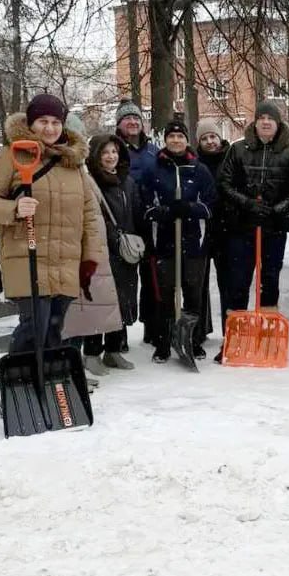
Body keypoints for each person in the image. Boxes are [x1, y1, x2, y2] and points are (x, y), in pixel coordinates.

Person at [0, 93, 105, 356]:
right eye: (43, 121)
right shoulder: (12, 154)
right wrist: (14, 208)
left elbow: (89, 215)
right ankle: (22, 384)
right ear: (31, 123)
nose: (49, 128)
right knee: (33, 328)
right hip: (28, 255)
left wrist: (90, 258)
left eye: (56, 122)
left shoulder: (73, 163)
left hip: (65, 261)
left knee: (54, 332)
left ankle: (50, 384)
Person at [217, 100, 289, 359]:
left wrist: (275, 210)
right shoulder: (238, 150)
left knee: (269, 281)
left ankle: (267, 338)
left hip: (274, 228)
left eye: (271, 119)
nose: (266, 122)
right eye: (261, 118)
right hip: (242, 227)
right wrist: (246, 204)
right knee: (239, 281)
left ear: (278, 124)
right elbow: (225, 183)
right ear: (255, 122)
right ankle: (234, 338)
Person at [142, 119, 217, 363]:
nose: (176, 140)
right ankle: (163, 342)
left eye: (180, 136)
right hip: (164, 243)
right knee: (165, 295)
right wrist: (163, 212)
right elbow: (144, 206)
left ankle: (192, 341)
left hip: (193, 242)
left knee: (192, 293)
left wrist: (188, 208)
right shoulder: (154, 169)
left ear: (187, 140)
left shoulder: (199, 169)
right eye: (171, 136)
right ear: (165, 140)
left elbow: (210, 206)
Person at [81, 132, 145, 372]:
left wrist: (140, 239)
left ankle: (114, 350)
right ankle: (92, 353)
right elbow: (91, 216)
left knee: (122, 301)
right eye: (105, 152)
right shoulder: (90, 182)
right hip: (101, 251)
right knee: (99, 303)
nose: (111, 157)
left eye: (115, 152)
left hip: (126, 252)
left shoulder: (126, 181)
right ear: (96, 156)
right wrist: (111, 237)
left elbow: (136, 212)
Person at [115, 99, 158, 342]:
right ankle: (118, 335)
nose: (133, 122)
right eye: (127, 118)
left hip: (150, 222)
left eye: (136, 119)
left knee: (152, 280)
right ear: (119, 124)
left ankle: (152, 329)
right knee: (124, 282)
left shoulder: (153, 151)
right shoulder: (112, 148)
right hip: (124, 222)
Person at [194, 118, 231, 341]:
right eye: (205, 138)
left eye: (213, 137)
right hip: (201, 229)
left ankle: (231, 328)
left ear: (220, 138)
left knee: (227, 282)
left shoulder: (231, 158)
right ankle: (200, 329)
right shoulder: (194, 162)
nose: (210, 141)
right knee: (199, 280)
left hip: (227, 228)